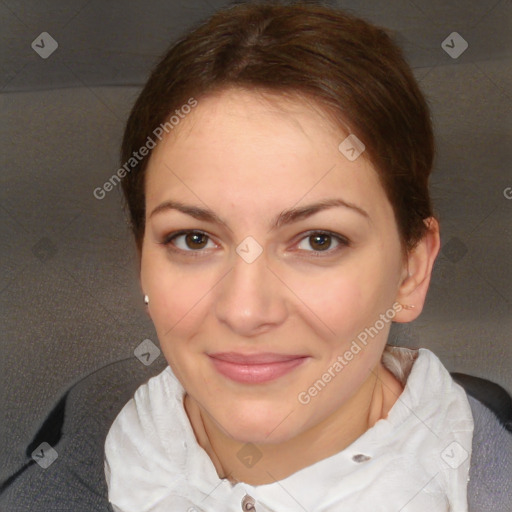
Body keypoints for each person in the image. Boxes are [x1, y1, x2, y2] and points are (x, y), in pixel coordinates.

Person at [102, 2, 511, 511]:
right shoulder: (79, 457)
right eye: (194, 239)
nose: (245, 311)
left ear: (411, 270)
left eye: (319, 240)